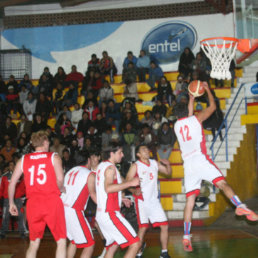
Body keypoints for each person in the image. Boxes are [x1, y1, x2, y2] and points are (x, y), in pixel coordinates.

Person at [173, 83, 258, 252]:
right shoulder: (196, 119)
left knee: (190, 201)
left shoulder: (177, 126)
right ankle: (239, 205)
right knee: (222, 184)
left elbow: (186, 116)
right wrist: (208, 90)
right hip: (200, 159)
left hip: (188, 165)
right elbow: (212, 107)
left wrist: (191, 99)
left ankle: (185, 235)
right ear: (188, 112)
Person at [8, 130, 67, 258]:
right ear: (45, 142)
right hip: (51, 200)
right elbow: (60, 180)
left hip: (33, 204)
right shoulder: (54, 157)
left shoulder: (23, 159)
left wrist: (11, 203)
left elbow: (12, 183)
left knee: (33, 243)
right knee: (61, 241)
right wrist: (62, 188)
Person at [95, 142, 141, 258]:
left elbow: (104, 189)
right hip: (110, 214)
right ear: (112, 153)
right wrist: (130, 183)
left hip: (102, 213)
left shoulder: (102, 166)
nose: (123, 155)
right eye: (120, 152)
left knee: (112, 247)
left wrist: (121, 198)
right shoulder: (110, 168)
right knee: (135, 244)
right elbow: (108, 188)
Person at [126, 144, 171, 258]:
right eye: (143, 149)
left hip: (154, 201)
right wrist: (133, 191)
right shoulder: (135, 166)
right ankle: (138, 252)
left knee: (165, 226)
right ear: (138, 154)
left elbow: (168, 173)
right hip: (142, 201)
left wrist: (168, 165)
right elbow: (126, 182)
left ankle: (164, 253)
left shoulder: (154, 163)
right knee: (143, 228)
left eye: (147, 149)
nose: (146, 150)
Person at [61, 151, 96, 258]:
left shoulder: (70, 171)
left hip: (62, 209)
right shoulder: (89, 174)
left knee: (74, 241)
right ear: (88, 160)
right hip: (74, 210)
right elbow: (93, 195)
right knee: (90, 244)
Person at [0, 160, 27, 239]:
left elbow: (23, 186)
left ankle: (22, 232)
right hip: (7, 199)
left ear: (15, 166)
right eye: (10, 165)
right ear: (8, 167)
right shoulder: (5, 176)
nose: (11, 166)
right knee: (6, 216)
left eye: (13, 165)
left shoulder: (20, 176)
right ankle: (3, 232)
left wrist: (22, 195)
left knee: (20, 215)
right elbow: (2, 188)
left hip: (17, 198)